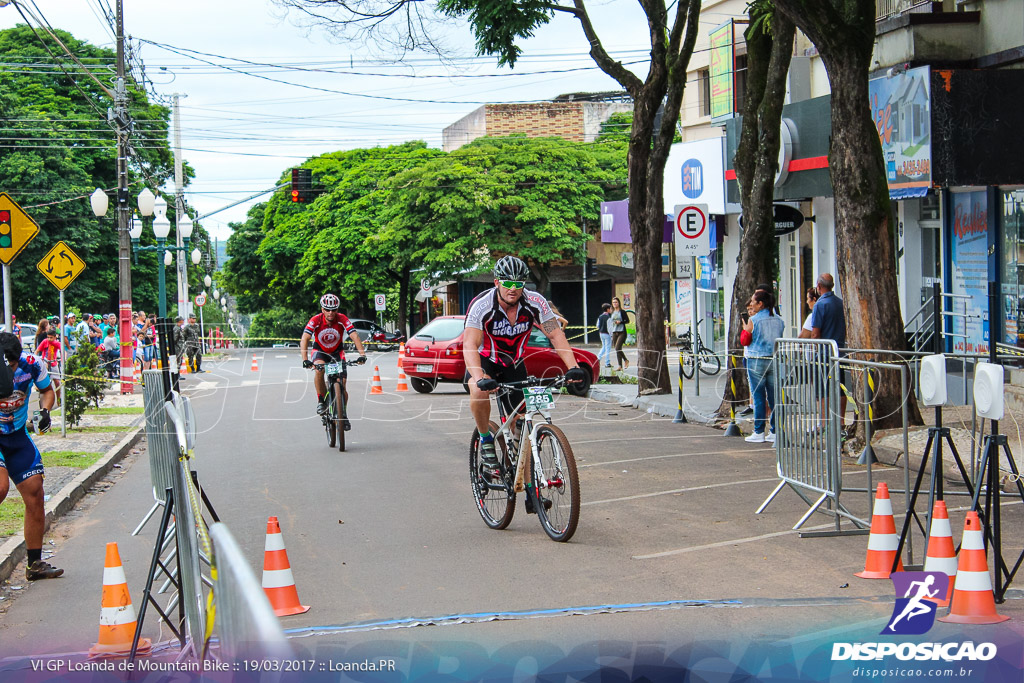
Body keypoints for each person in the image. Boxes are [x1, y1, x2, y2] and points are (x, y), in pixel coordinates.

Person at [464, 256, 588, 509]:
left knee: (523, 429)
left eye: (518, 283)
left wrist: (573, 367)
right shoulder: (481, 305)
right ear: (497, 281)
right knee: (477, 390)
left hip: (514, 364)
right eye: (507, 282)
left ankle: (531, 491)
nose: (513, 288)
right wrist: (478, 376)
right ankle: (486, 440)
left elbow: (555, 334)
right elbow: (470, 345)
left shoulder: (536, 302)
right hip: (486, 362)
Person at [0, 332, 63, 580]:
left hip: (17, 436)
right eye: (8, 365)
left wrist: (45, 411)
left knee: (36, 492)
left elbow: (48, 391)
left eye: (14, 365)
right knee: (1, 487)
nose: (12, 370)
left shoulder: (33, 363)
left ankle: (34, 565)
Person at [299, 293, 367, 428]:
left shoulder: (342, 318)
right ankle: (321, 401)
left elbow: (354, 335)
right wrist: (305, 359)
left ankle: (343, 414)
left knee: (342, 384)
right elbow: (305, 338)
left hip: (337, 352)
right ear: (322, 309)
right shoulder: (316, 320)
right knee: (319, 370)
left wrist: (362, 354)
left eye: (334, 310)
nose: (330, 313)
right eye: (327, 309)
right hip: (320, 351)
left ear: (337, 310)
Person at [740, 289, 785, 443]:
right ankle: (775, 430)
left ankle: (759, 431)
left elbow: (745, 340)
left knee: (758, 396)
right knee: (774, 396)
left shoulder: (755, 320)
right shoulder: (779, 320)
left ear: (760, 304)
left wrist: (746, 329)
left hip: (756, 359)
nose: (751, 304)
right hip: (773, 359)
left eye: (753, 301)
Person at [810, 273, 848, 433]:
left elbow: (815, 332)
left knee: (822, 389)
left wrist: (814, 349)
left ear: (818, 286)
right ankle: (840, 421)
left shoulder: (820, 304)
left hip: (825, 353)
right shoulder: (840, 303)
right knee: (840, 387)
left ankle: (823, 423)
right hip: (840, 350)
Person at [609, 297, 629, 371]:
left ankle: (626, 360)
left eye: (616, 302)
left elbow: (627, 321)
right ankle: (620, 366)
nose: (615, 304)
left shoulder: (622, 312)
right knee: (617, 349)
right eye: (613, 302)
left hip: (621, 331)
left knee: (617, 347)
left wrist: (620, 322)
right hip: (614, 331)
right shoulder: (612, 312)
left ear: (619, 303)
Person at [596, 303, 612, 371]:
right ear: (608, 309)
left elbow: (597, 325)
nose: (611, 310)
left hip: (601, 333)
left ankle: (598, 358)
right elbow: (609, 328)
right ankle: (607, 363)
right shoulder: (608, 317)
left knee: (604, 346)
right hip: (607, 334)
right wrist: (612, 335)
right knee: (608, 348)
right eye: (610, 309)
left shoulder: (600, 316)